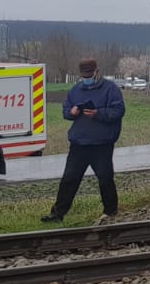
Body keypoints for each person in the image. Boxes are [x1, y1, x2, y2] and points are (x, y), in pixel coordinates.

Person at [43, 58, 126, 223]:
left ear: (96, 72)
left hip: (102, 144)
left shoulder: (111, 89)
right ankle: (57, 214)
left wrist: (98, 113)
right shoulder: (76, 90)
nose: (86, 78)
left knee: (105, 178)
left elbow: (118, 111)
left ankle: (110, 212)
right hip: (79, 144)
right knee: (69, 179)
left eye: (89, 74)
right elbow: (65, 110)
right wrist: (71, 112)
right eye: (84, 75)